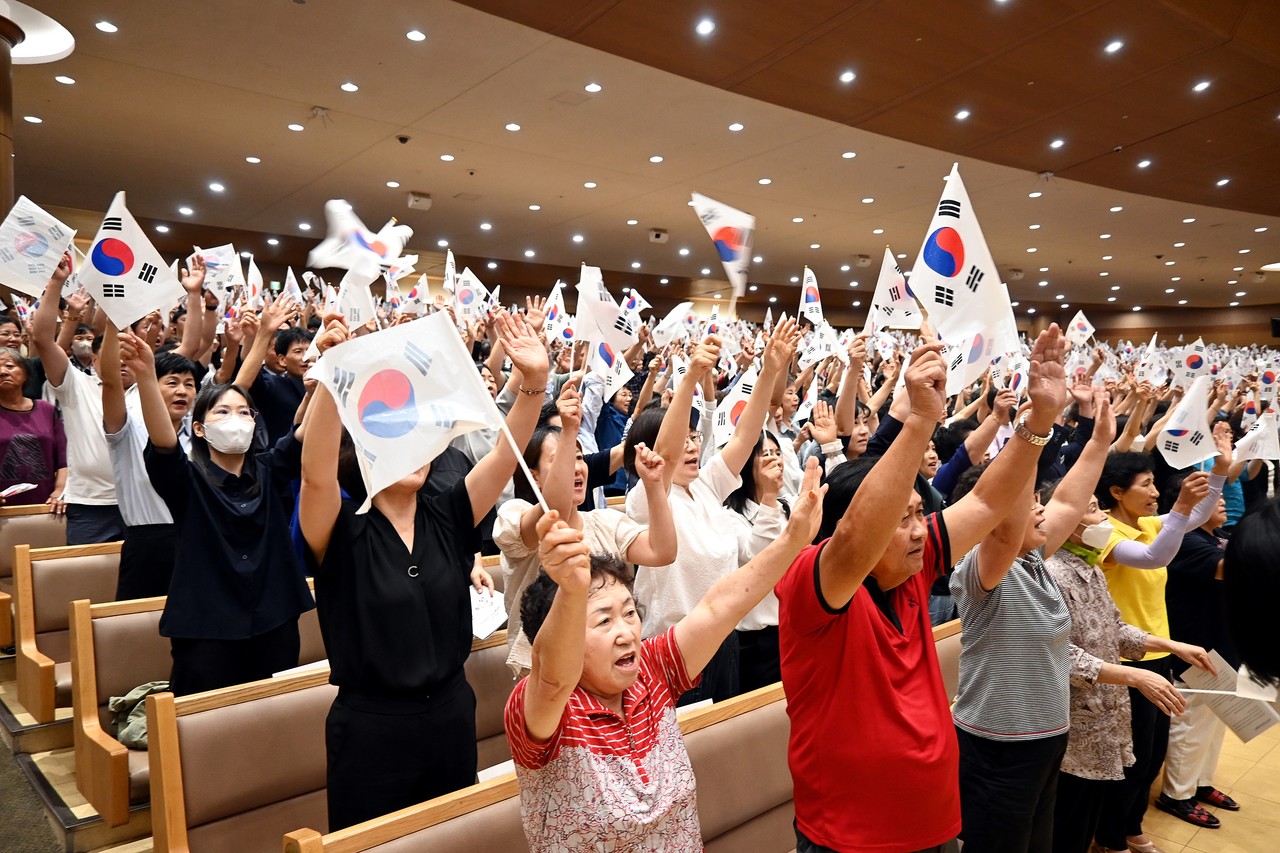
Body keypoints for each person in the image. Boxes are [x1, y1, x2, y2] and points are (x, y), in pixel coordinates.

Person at [776, 326, 1069, 853]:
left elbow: (986, 504)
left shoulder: (911, 568)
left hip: (934, 825)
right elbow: (856, 537)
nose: (919, 530)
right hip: (850, 839)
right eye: (902, 518)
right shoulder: (810, 585)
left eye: (919, 513)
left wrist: (1038, 422)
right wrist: (919, 420)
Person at [298, 311, 550, 831]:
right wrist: (331, 372)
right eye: (397, 436)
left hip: (451, 713)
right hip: (372, 729)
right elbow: (315, 473)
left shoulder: (448, 512)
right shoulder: (341, 530)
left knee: (451, 840)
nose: (415, 450)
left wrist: (534, 383)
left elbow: (504, 458)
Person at [505, 459, 825, 852]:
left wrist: (792, 539)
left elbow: (718, 607)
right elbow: (552, 677)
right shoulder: (543, 711)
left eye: (629, 613)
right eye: (603, 621)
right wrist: (571, 590)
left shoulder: (652, 671)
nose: (626, 632)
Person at [123, 325, 313, 697]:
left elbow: (305, 431)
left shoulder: (269, 469)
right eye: (222, 411)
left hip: (274, 619)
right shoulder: (186, 480)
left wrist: (325, 377)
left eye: (244, 412)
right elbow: (164, 442)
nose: (235, 419)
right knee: (207, 718)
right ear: (199, 429)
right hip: (207, 628)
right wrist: (145, 376)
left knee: (272, 712)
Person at [625, 318, 798, 704]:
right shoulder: (648, 497)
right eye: (682, 438)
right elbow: (666, 455)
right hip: (673, 649)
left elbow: (745, 436)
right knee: (685, 739)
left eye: (694, 437)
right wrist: (690, 378)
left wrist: (770, 371)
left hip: (724, 641)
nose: (691, 446)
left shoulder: (706, 486)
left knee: (719, 735)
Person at [1043, 481, 1215, 853]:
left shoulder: (1088, 565)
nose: (1103, 517)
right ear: (1065, 521)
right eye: (1092, 510)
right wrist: (1134, 675)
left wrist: (1169, 644)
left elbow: (1114, 627)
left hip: (1104, 713)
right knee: (1067, 820)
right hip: (1075, 719)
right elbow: (1057, 655)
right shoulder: (1051, 573)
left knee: (1090, 811)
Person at [1092, 444, 1227, 853]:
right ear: (1117, 492)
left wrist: (1219, 471)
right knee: (1129, 758)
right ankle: (1110, 836)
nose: (1154, 493)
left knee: (1152, 755)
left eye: (1154, 484)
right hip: (1124, 657)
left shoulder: (1148, 523)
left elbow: (1197, 516)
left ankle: (1131, 826)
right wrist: (1182, 505)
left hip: (1158, 652)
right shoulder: (1104, 532)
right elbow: (1153, 557)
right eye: (1146, 485)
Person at [496, 377, 676, 677]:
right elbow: (553, 509)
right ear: (534, 475)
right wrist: (569, 432)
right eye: (561, 458)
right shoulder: (515, 515)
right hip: (547, 675)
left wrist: (655, 485)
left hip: (608, 668)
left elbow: (662, 552)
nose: (576, 467)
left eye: (579, 458)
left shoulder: (604, 521)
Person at [1157, 493, 1239, 826]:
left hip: (1222, 644)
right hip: (1195, 646)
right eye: (1212, 497)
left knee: (1214, 722)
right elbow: (1227, 569)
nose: (1222, 501)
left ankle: (1200, 782)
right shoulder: (1185, 539)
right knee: (1190, 723)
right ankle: (1177, 795)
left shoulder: (1219, 536)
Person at [724, 430, 789, 691]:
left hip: (792, 630)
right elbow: (760, 560)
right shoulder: (730, 517)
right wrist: (769, 498)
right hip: (756, 643)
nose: (775, 460)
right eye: (766, 454)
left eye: (777, 453)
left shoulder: (788, 507)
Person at [0, 346, 66, 509]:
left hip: (47, 506)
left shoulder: (47, 410)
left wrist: (60, 491)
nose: (3, 372)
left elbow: (64, 460)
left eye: (9, 366)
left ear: (25, 374)